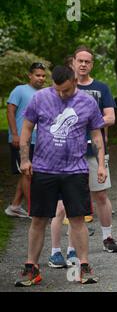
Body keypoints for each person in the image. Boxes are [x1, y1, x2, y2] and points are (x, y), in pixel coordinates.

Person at [15, 65, 105, 286]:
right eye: (57, 90)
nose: (61, 94)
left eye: (65, 90)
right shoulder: (40, 98)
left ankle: (82, 267)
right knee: (38, 219)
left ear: (74, 82)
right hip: (44, 168)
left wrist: (101, 164)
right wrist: (25, 159)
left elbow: (96, 134)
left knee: (77, 219)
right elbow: (26, 128)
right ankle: (32, 268)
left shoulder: (88, 102)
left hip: (75, 170)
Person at [73, 46, 117, 252]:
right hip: (68, 151)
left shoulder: (102, 88)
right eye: (80, 61)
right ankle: (71, 246)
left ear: (92, 64)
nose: (83, 64)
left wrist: (87, 122)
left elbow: (111, 117)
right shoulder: (65, 86)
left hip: (96, 149)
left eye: (87, 61)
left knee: (100, 195)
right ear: (73, 62)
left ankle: (107, 237)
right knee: (70, 197)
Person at [5, 62, 46, 218]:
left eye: (43, 76)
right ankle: (32, 210)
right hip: (21, 140)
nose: (41, 78)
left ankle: (15, 206)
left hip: (38, 140)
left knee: (28, 174)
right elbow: (10, 112)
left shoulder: (44, 93)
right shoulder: (20, 90)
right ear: (30, 75)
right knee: (27, 174)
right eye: (37, 75)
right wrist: (15, 134)